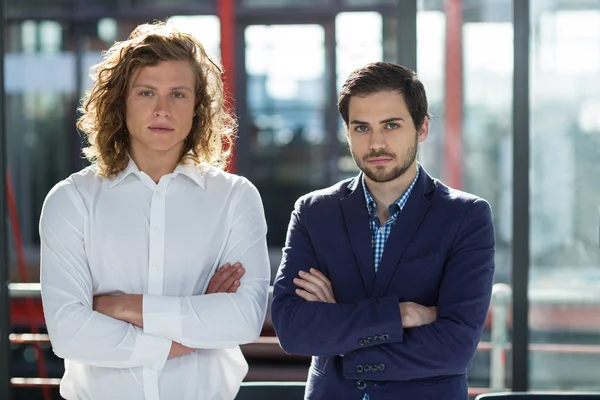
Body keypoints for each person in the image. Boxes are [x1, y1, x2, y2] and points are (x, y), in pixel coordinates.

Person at [39, 22, 270, 400]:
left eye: (178, 94)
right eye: (147, 92)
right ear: (120, 103)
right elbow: (69, 333)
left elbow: (243, 320)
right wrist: (188, 333)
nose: (162, 109)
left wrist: (121, 307)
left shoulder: (235, 197)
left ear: (197, 107)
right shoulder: (72, 200)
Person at [271, 62, 495, 400]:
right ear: (346, 132)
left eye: (391, 125)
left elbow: (455, 347)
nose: (376, 143)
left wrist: (339, 330)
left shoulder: (466, 216)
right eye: (361, 128)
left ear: (422, 128)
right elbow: (293, 330)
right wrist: (399, 315)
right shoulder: (314, 212)